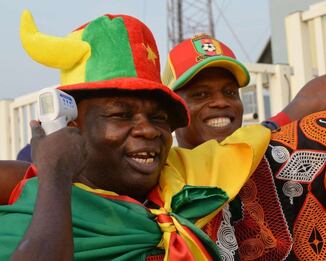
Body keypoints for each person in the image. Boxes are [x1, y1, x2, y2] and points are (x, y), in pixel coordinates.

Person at [0, 11, 271, 260]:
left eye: (159, 118)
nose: (149, 129)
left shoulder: (187, 175)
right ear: (71, 127)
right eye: (121, 114)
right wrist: (55, 176)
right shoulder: (27, 207)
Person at [162, 28, 326, 259]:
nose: (221, 102)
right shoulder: (159, 179)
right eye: (201, 94)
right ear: (171, 110)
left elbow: (313, 100)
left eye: (229, 92)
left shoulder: (256, 146)